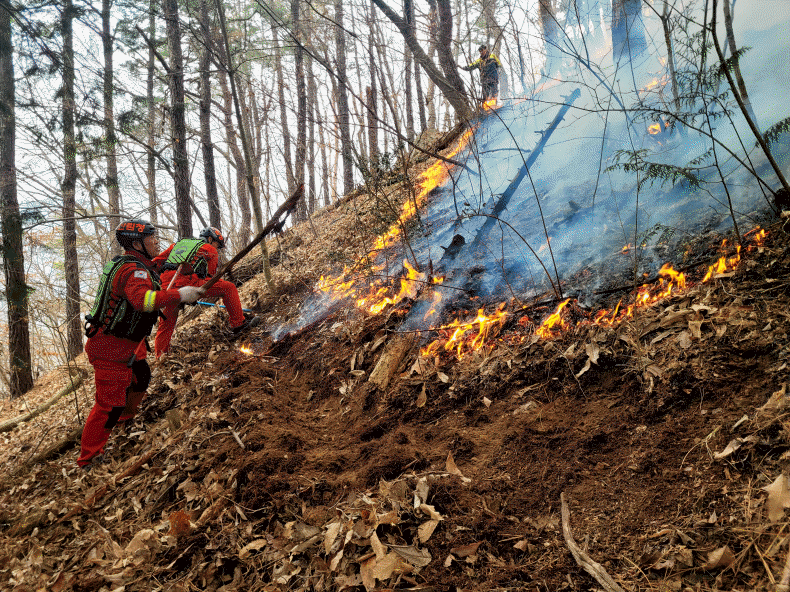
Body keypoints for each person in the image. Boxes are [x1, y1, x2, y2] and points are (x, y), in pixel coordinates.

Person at [79, 219, 203, 469]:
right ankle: (88, 458)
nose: (156, 242)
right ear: (137, 244)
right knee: (108, 405)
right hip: (110, 348)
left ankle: (125, 420)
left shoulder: (137, 264)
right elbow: (143, 301)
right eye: (151, 238)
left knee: (141, 377)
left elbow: (155, 271)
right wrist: (180, 294)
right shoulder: (132, 271)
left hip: (127, 344)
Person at [153, 226, 258, 358]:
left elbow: (155, 263)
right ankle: (238, 324)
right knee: (228, 287)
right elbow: (210, 278)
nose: (217, 248)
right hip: (190, 282)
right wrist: (196, 293)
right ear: (210, 239)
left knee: (166, 322)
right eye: (217, 245)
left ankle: (160, 356)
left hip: (167, 285)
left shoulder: (177, 244)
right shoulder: (209, 249)